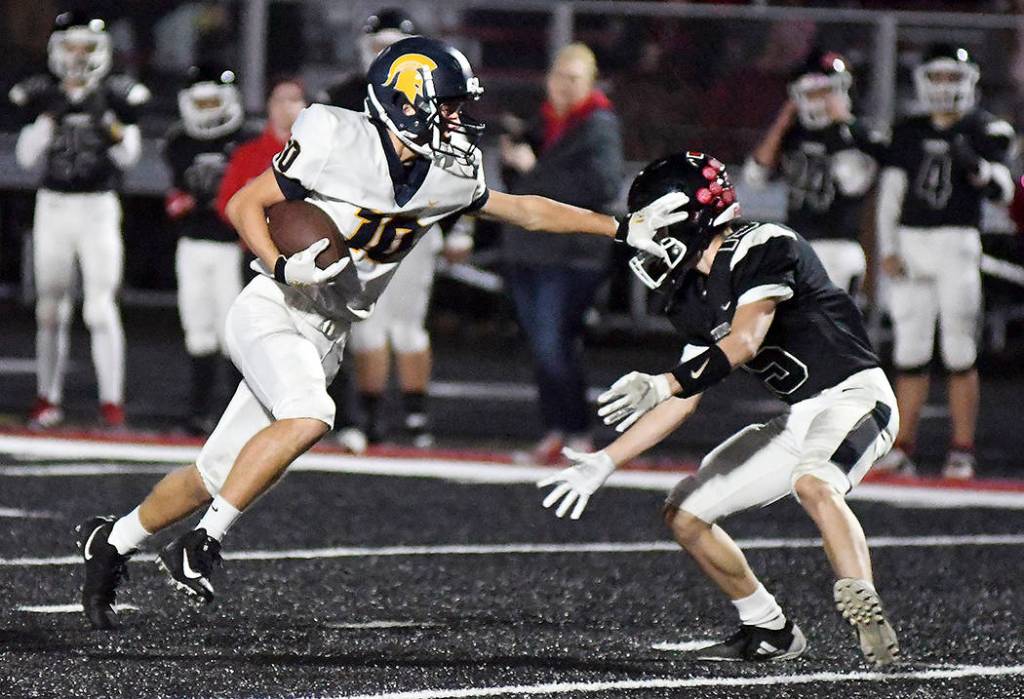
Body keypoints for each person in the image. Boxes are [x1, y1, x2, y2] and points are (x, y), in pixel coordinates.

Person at [73, 36, 666, 630]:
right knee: (311, 414)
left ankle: (113, 539)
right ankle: (201, 542)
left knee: (213, 474)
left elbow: (525, 209)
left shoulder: (448, 173)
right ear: (407, 103)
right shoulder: (334, 138)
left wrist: (618, 226)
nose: (459, 120)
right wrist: (283, 266)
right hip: (274, 304)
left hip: (329, 331)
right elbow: (245, 206)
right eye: (449, 105)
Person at [539, 152, 901, 667]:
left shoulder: (764, 245)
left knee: (814, 482)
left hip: (857, 398)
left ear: (683, 215)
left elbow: (744, 342)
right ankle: (768, 628)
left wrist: (664, 382)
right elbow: (683, 399)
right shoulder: (690, 293)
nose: (642, 235)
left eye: (648, 219)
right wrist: (607, 460)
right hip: (799, 415)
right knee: (686, 513)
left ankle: (863, 603)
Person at [318, 8, 471, 450]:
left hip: (414, 221)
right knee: (367, 326)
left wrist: (459, 228)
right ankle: (370, 418)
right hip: (358, 222)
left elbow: (457, 165)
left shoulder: (432, 93)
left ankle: (416, 417)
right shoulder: (342, 94)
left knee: (407, 327)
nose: (383, 55)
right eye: (376, 45)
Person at [875, 44, 1015, 480]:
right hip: (912, 242)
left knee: (959, 350)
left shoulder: (985, 128)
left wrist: (980, 169)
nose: (944, 87)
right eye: (936, 77)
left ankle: (962, 448)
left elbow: (1005, 191)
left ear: (969, 80)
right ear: (922, 81)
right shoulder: (909, 130)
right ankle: (902, 446)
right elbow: (891, 196)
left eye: (952, 77)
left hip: (957, 243)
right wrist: (888, 248)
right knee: (910, 350)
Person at [11, 11, 149, 429]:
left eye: (86, 47)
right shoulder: (43, 94)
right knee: (50, 309)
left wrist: (105, 119)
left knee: (99, 309)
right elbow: (25, 158)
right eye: (70, 46)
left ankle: (112, 402)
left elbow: (130, 156)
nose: (78, 56)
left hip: (97, 207)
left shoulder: (116, 95)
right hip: (54, 205)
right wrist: (50, 116)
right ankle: (46, 397)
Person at [499, 42, 623, 464]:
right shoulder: (546, 122)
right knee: (542, 345)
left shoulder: (598, 125)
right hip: (530, 249)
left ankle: (577, 432)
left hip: (572, 254)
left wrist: (534, 170)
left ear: (589, 83)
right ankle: (558, 430)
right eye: (558, 77)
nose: (564, 87)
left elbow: (604, 188)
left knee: (554, 344)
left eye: (574, 79)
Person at [743, 48, 882, 295]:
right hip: (797, 242)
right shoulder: (792, 134)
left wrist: (841, 126)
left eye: (825, 91)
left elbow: (853, 182)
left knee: (831, 327)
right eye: (812, 92)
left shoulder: (858, 134)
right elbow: (755, 176)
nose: (820, 99)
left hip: (839, 244)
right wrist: (781, 124)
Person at [163, 65, 255, 434]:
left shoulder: (245, 141)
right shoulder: (178, 142)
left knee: (232, 331)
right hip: (192, 243)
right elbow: (174, 198)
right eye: (199, 101)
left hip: (231, 246)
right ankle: (199, 408)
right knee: (197, 328)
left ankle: (239, 409)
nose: (206, 108)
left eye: (212, 100)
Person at [214, 76, 306, 232]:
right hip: (254, 248)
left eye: (293, 100)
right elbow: (226, 204)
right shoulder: (246, 154)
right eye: (279, 100)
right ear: (269, 104)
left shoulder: (315, 154)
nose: (285, 106)